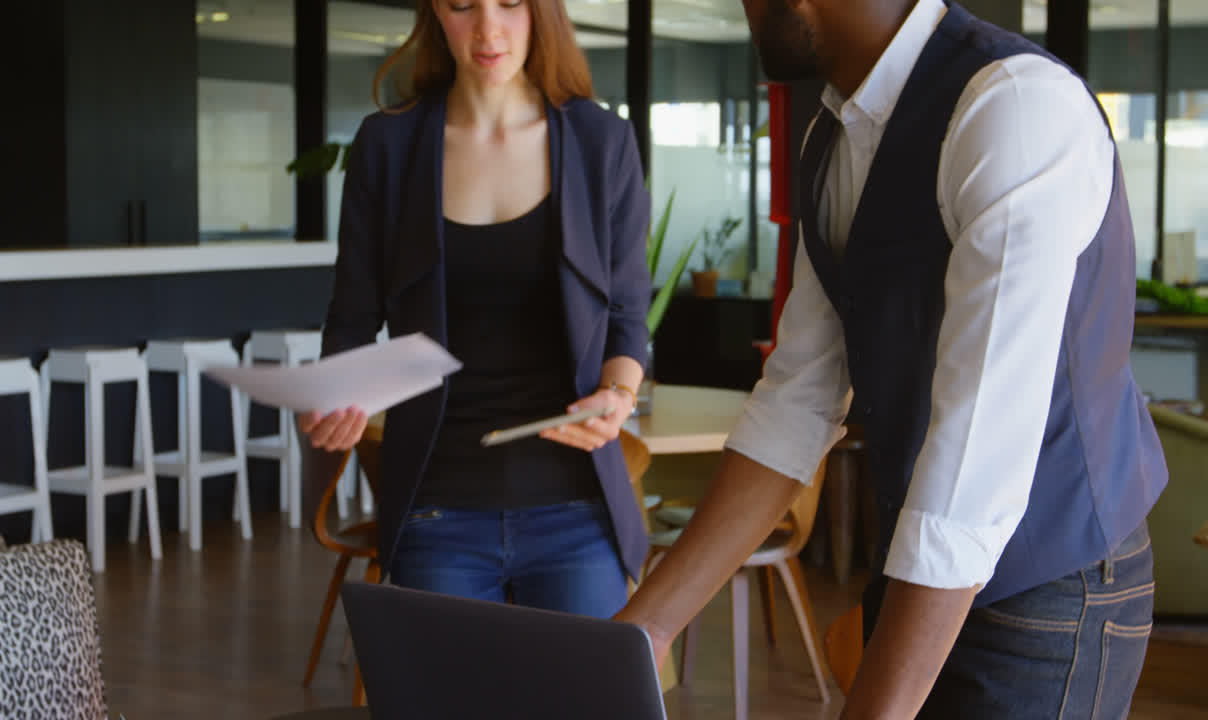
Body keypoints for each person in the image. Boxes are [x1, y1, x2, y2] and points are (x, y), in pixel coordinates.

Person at [615, 1, 1168, 717]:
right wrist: (643, 630)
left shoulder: (1014, 109)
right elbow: (797, 402)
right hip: (923, 571)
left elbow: (977, 458)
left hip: (1051, 587)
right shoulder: (835, 136)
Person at [297, 0, 651, 620]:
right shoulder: (387, 145)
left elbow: (626, 316)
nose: (488, 29)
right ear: (437, 11)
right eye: (463, 5)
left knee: (591, 680)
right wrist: (336, 394)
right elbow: (351, 317)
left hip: (576, 510)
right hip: (438, 508)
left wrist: (618, 396)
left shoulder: (602, 142)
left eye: (509, 3)